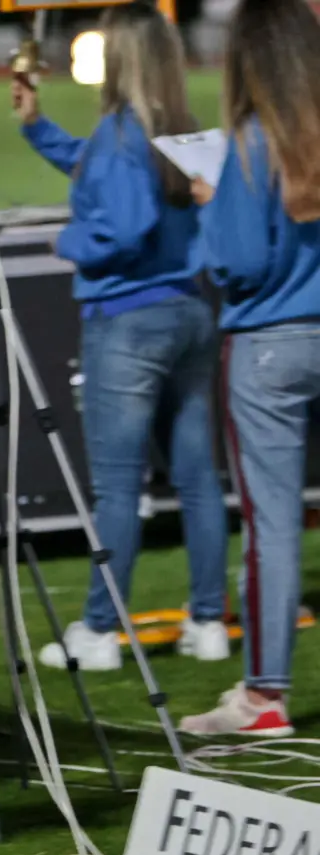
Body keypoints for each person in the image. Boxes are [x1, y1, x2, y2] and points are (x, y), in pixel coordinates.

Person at [12, 0, 231, 672]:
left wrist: (70, 238)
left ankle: (100, 632)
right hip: (190, 314)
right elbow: (101, 171)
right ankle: (208, 622)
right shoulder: (177, 127)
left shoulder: (117, 131)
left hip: (128, 321)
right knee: (197, 480)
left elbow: (120, 221)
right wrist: (37, 129)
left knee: (116, 487)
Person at [178, 0, 320, 739]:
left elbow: (238, 262)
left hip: (269, 345)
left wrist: (211, 206)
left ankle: (266, 692)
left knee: (272, 525)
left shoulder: (250, 144)